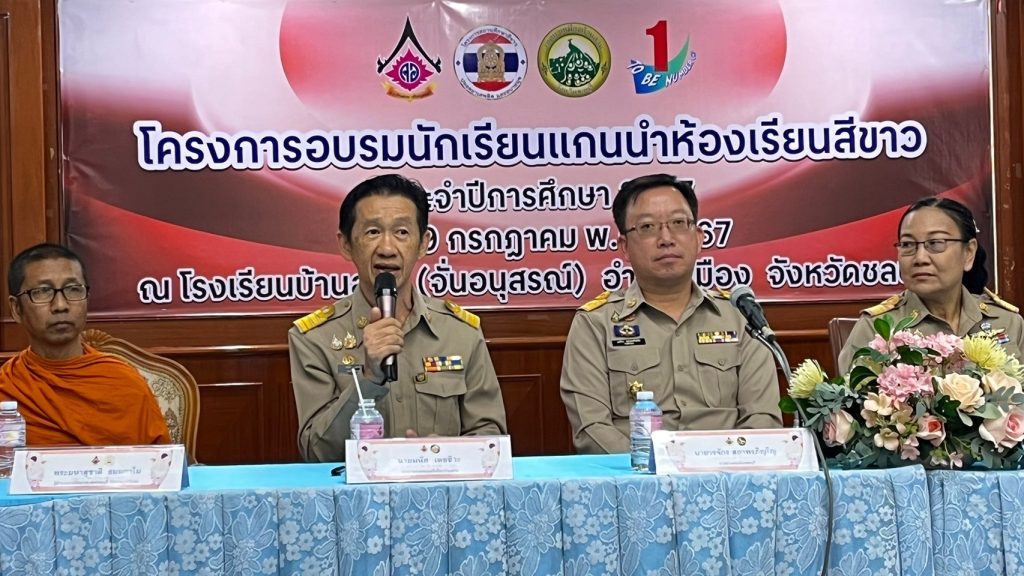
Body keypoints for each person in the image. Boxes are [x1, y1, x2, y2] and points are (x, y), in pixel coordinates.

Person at [288, 174, 507, 462]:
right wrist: (369, 380)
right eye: (372, 232)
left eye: (402, 232)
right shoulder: (315, 339)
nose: (387, 248)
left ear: (423, 243)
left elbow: (491, 439)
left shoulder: (460, 333)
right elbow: (316, 453)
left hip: (440, 488)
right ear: (346, 245)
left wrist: (445, 452)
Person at [560, 174, 783, 454]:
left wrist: (724, 465)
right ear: (625, 247)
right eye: (647, 227)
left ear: (699, 238)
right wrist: (651, 468)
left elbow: (763, 418)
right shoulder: (594, 324)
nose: (666, 238)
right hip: (635, 476)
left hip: (730, 473)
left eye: (678, 223)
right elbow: (592, 429)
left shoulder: (741, 317)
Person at [0, 243, 171, 446]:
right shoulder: (7, 387)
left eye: (73, 289)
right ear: (16, 309)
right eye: (43, 291)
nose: (60, 305)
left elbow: (160, 460)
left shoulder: (123, 383)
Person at [838, 197, 1023, 371]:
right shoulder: (878, 328)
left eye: (935, 243)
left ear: (968, 253)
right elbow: (856, 394)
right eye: (908, 244)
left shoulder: (1007, 322)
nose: (920, 258)